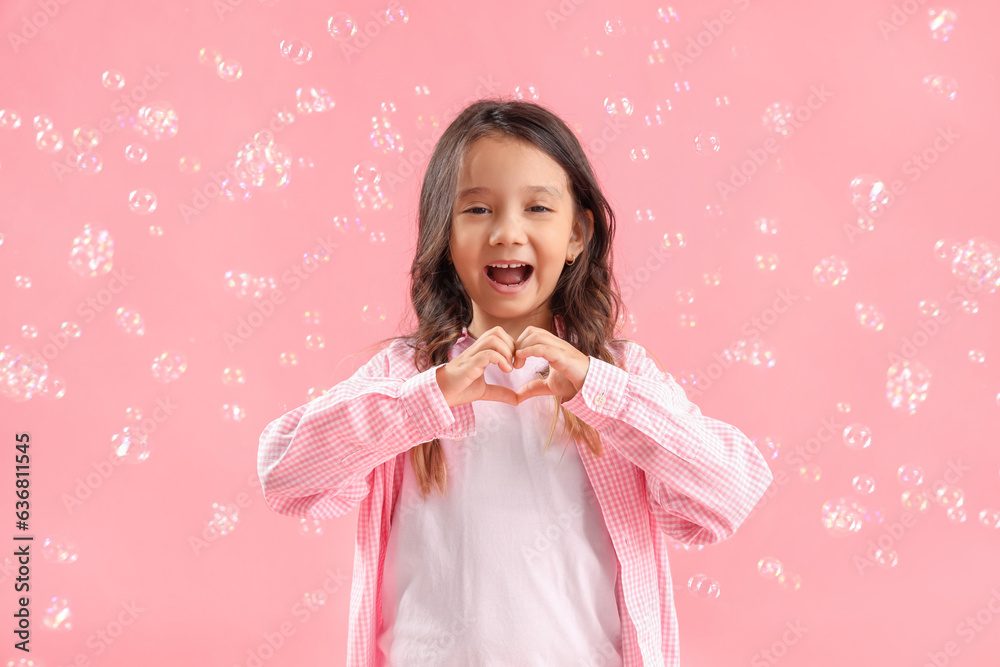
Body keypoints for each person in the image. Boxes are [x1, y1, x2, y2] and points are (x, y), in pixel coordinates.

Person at [257, 98, 774, 667]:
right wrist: (428, 398)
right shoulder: (407, 378)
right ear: (445, 237)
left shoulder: (619, 379)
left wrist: (601, 393)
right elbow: (286, 477)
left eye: (537, 208)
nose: (507, 231)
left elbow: (726, 498)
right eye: (477, 210)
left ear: (577, 234)